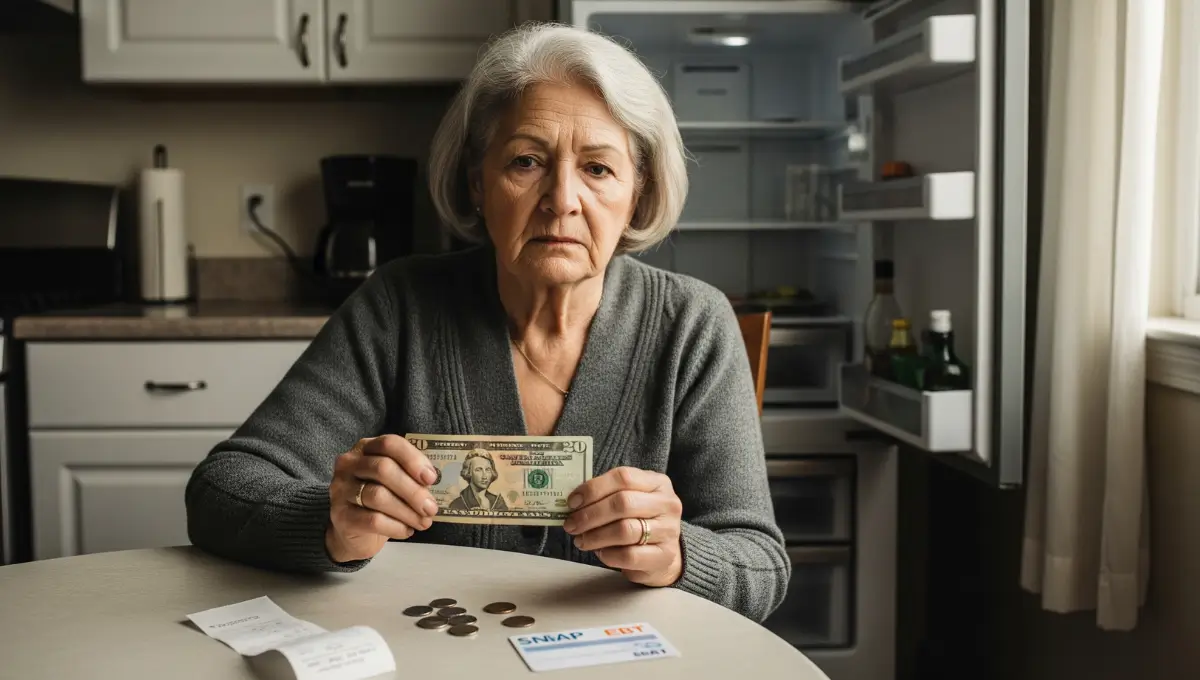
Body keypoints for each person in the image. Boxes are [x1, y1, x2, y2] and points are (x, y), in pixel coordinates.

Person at [184, 21, 790, 623]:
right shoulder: (401, 306)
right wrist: (332, 522)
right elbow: (221, 489)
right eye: (526, 161)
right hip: (433, 653)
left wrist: (678, 554)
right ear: (478, 183)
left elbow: (760, 564)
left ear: (638, 193)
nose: (562, 199)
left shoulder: (692, 324)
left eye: (598, 169)